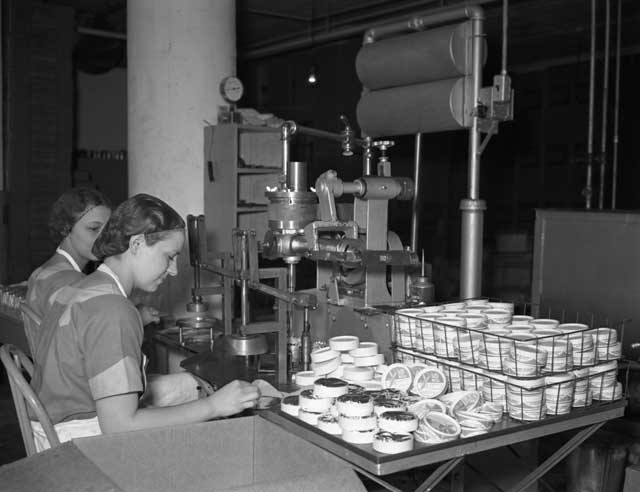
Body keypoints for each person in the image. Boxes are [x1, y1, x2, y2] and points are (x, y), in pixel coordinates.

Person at [30, 194, 260, 450]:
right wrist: (213, 405)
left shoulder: (83, 288)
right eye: (169, 256)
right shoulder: (114, 310)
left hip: (53, 431)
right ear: (137, 243)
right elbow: (119, 425)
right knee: (215, 449)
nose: (173, 270)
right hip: (77, 447)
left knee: (187, 388)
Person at [26, 187, 112, 321]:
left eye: (107, 229)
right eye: (94, 228)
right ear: (66, 228)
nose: (103, 237)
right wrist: (137, 318)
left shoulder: (41, 272)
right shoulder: (73, 283)